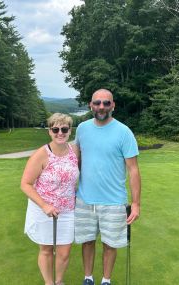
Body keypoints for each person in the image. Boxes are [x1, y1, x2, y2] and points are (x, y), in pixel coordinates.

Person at [75, 89, 141, 285]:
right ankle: (88, 278)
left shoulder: (124, 132)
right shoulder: (82, 129)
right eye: (97, 103)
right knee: (87, 242)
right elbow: (76, 161)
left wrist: (136, 203)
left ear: (113, 105)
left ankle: (106, 280)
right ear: (90, 105)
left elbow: (134, 170)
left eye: (106, 103)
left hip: (113, 202)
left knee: (110, 244)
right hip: (84, 200)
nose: (101, 107)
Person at [21, 113, 79, 285]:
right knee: (46, 249)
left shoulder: (74, 151)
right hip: (43, 210)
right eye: (55, 129)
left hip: (68, 209)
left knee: (65, 251)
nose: (60, 133)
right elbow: (25, 184)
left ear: (70, 131)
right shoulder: (41, 154)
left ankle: (59, 281)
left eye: (64, 129)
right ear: (50, 131)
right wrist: (44, 205)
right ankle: (49, 282)